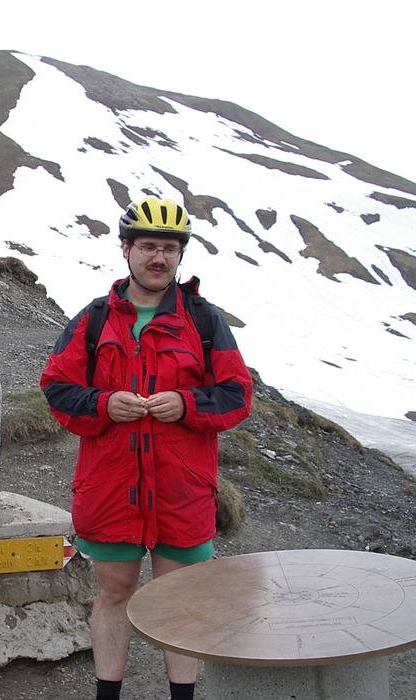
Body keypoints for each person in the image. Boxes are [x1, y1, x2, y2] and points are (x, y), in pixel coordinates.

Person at [40, 196, 253, 700]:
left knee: (179, 603)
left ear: (180, 256)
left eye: (169, 249)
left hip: (183, 490)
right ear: (126, 249)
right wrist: (102, 404)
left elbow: (236, 394)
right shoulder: (94, 320)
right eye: (148, 247)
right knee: (114, 593)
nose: (159, 258)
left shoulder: (203, 321)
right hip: (112, 488)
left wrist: (186, 404)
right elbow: (56, 387)